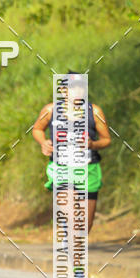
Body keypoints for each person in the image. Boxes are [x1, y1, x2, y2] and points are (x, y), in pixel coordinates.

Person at [32, 74, 111, 231]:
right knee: (70, 219)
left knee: (83, 230)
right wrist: (43, 142)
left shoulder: (94, 111)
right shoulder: (50, 110)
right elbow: (37, 129)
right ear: (63, 90)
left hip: (89, 170)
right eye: (73, 88)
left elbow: (106, 140)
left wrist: (92, 144)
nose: (78, 92)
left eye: (81, 87)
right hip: (62, 169)